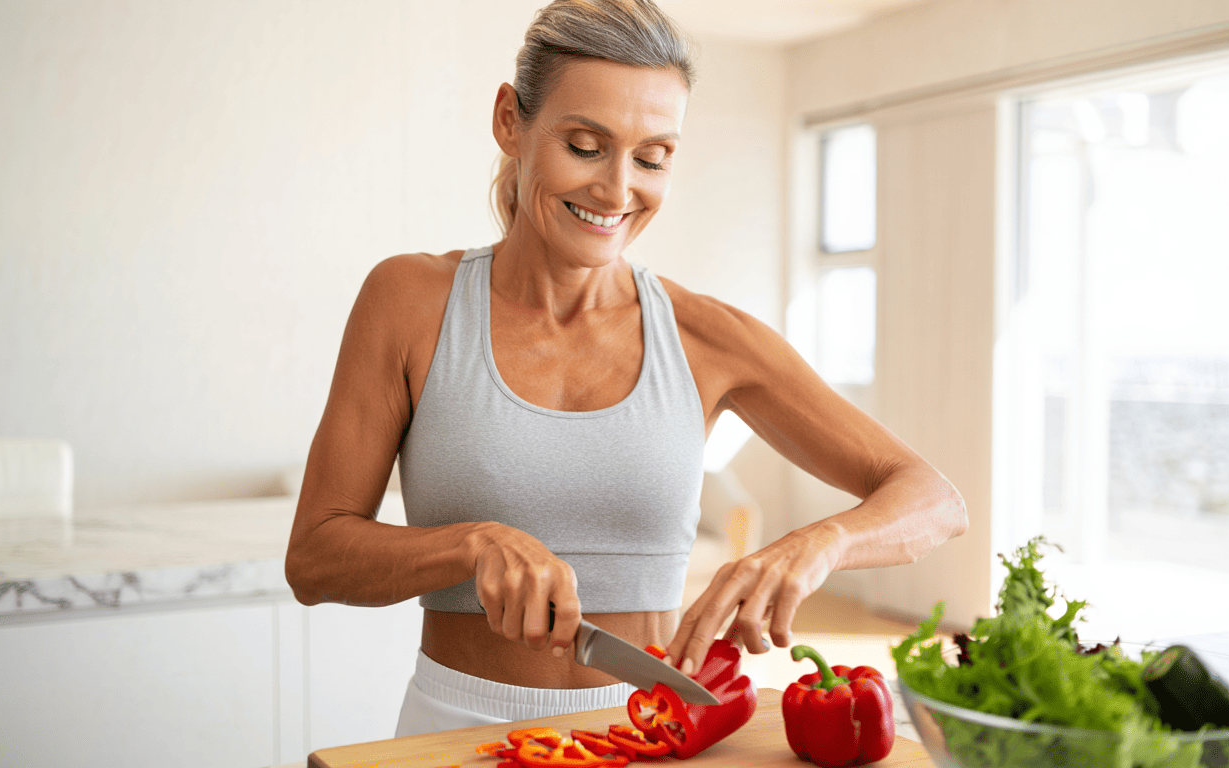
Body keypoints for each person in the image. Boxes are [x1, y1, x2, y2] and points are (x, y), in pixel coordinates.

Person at [284, 0, 967, 738]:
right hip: (451, 730)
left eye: (652, 158)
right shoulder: (411, 302)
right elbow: (316, 557)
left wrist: (816, 545)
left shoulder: (708, 337)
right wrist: (470, 544)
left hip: (651, 734)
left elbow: (934, 500)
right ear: (511, 121)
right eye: (585, 145)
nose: (616, 191)